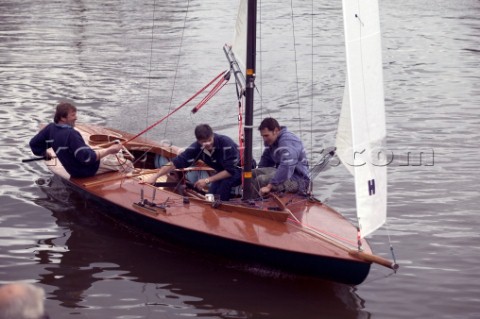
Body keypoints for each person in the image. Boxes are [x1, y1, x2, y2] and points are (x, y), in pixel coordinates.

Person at [29, 102, 133, 178]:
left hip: (73, 169)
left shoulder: (51, 128)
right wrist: (109, 150)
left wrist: (44, 153)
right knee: (127, 163)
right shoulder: (71, 134)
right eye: (73, 115)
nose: (76, 118)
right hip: (86, 170)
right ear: (63, 118)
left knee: (112, 153)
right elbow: (87, 158)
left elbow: (34, 144)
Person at [144, 124, 241, 201]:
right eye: (203, 142)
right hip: (222, 171)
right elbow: (175, 163)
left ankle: (223, 211)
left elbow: (230, 171)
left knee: (224, 186)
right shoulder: (196, 147)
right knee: (210, 195)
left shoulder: (226, 143)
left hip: (241, 169)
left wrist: (207, 180)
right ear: (198, 141)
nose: (207, 144)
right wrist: (155, 176)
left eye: (209, 140)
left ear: (213, 136)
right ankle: (212, 207)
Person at [253, 117, 310, 196]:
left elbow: (287, 166)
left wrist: (270, 186)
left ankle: (253, 203)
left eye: (266, 135)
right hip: (284, 175)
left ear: (276, 131)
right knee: (252, 173)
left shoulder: (287, 140)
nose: (264, 139)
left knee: (261, 179)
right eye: (263, 136)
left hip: (298, 181)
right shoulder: (271, 141)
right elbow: (265, 162)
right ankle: (247, 197)